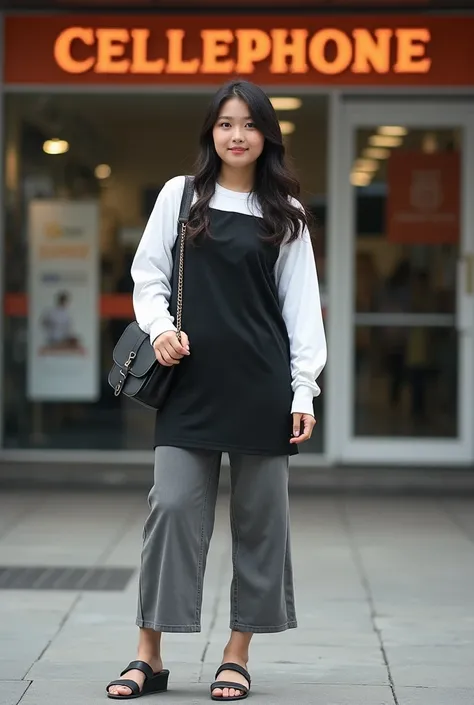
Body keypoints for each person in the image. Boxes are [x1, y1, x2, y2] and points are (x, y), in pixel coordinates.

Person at [106, 79, 326, 701]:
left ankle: (237, 652)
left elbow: (302, 308)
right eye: (226, 124)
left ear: (266, 135)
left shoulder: (287, 212)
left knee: (261, 522)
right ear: (211, 132)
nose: (237, 135)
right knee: (172, 508)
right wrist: (160, 328)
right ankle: (149, 654)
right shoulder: (181, 196)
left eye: (249, 125)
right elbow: (147, 275)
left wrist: (302, 390)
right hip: (190, 382)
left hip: (262, 383)